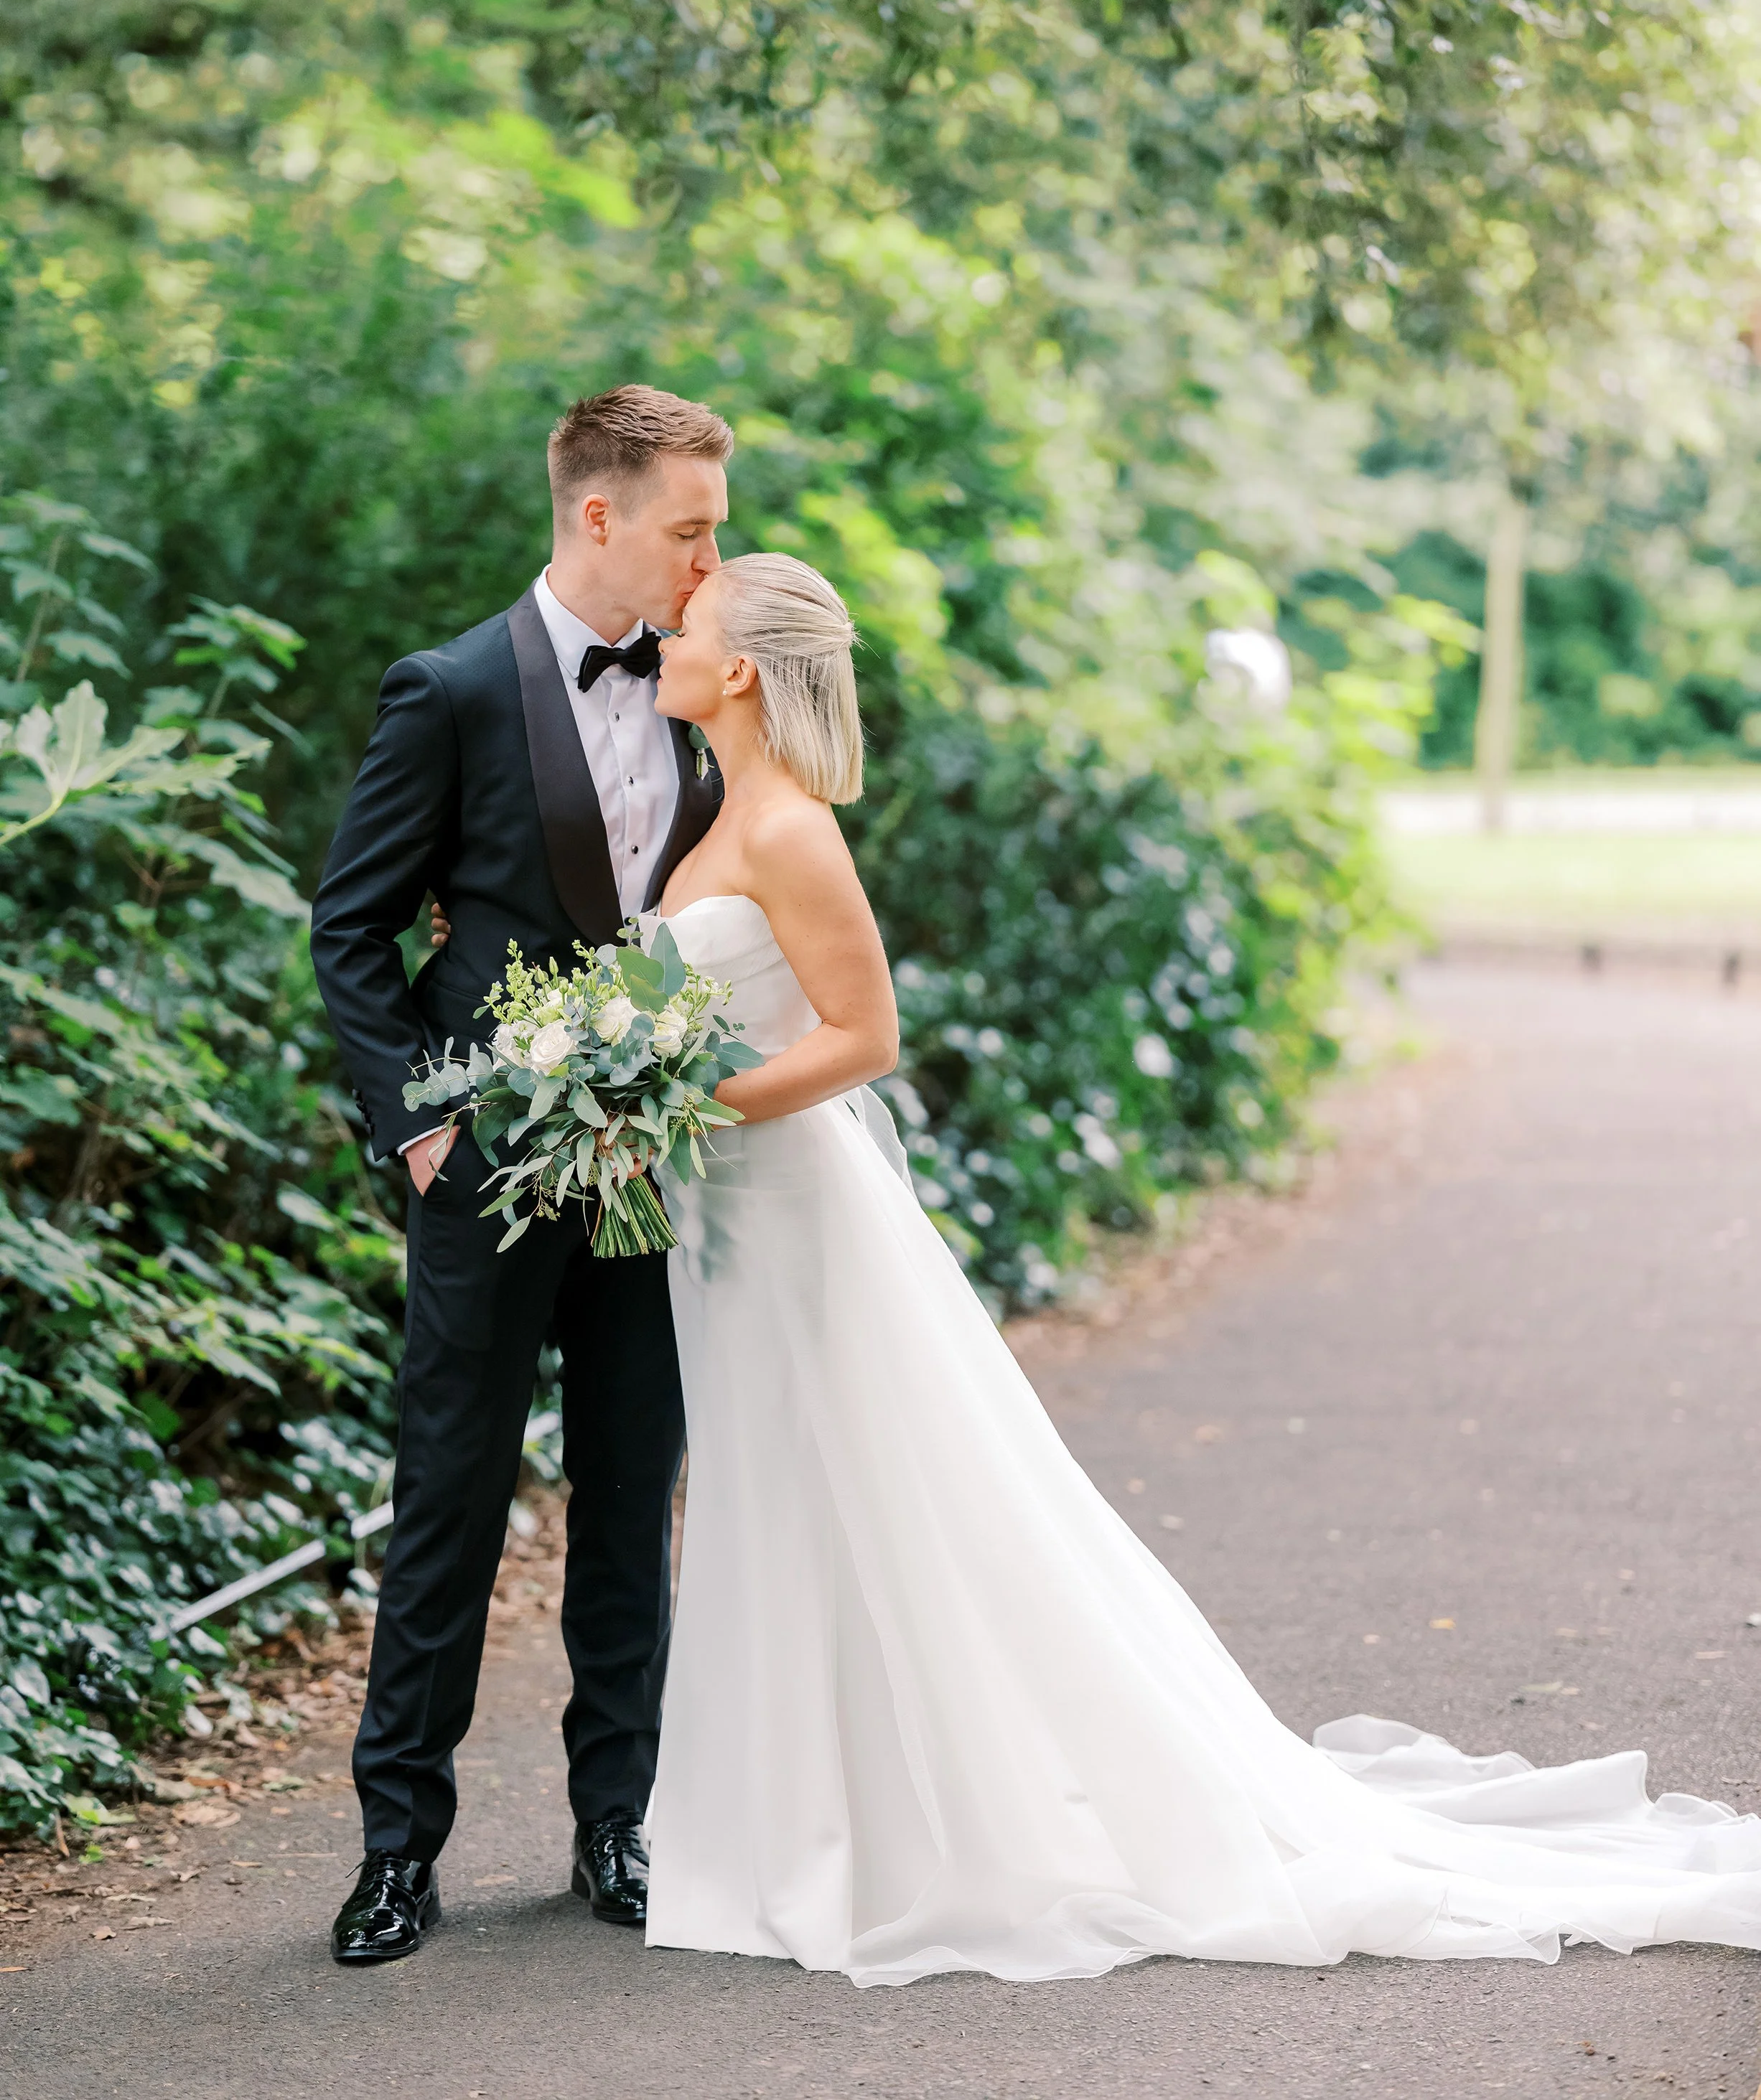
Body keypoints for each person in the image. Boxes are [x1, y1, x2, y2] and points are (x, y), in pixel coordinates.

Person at [641, 551, 1761, 1984]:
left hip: (795, 1209)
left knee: (864, 1485)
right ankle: (801, 1817)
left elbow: (862, 1037)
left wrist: (686, 1108)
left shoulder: (790, 832)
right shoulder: (725, 814)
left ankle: (881, 1833)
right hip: (725, 1222)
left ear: (739, 668)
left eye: (687, 628)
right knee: (774, 1487)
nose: (666, 639)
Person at [308, 385, 731, 1964]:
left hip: (647, 1168)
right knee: (451, 1512)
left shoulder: (699, 682)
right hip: (483, 1168)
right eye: (692, 525)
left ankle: (615, 1831)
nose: (712, 554)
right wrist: (417, 1125)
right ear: (598, 514)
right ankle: (397, 1854)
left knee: (630, 1504)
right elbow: (350, 928)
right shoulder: (454, 691)